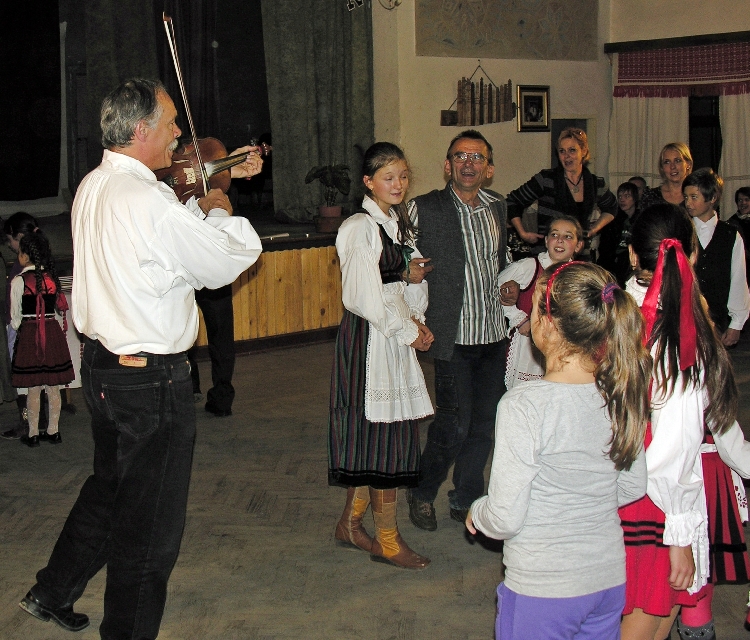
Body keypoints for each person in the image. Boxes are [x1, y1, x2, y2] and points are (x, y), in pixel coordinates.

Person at [17, 78, 262, 638]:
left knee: (110, 489)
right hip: (150, 381)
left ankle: (52, 591)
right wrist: (220, 206)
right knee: (150, 530)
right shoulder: (146, 198)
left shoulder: (94, 184)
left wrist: (200, 196)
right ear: (140, 130)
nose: (179, 133)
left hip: (104, 369)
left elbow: (158, 247)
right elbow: (223, 261)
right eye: (171, 122)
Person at [467, 261, 650, 640]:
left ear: (547, 324)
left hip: (543, 586)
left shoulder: (524, 405)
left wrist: (478, 512)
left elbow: (504, 518)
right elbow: (633, 486)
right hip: (607, 580)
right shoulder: (618, 394)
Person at [620, 203, 750, 640]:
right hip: (655, 500)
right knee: (645, 623)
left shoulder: (609, 310)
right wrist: (678, 531)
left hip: (622, 486)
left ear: (633, 255)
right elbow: (674, 442)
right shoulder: (677, 332)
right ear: (691, 254)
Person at [329, 142, 434, 569]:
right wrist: (406, 330)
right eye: (388, 177)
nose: (398, 184)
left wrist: (415, 313)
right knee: (380, 437)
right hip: (370, 339)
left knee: (382, 436)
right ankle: (387, 540)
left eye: (403, 176)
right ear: (368, 182)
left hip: (391, 333)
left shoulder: (396, 225)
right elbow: (362, 297)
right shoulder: (360, 227)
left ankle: (350, 525)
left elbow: (398, 286)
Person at [405, 129, 509, 531]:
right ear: (448, 166)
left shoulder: (498, 207)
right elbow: (397, 255)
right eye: (460, 156)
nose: (469, 163)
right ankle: (422, 491)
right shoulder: (423, 208)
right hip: (452, 337)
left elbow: (500, 262)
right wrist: (406, 280)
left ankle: (466, 498)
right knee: (454, 425)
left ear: (489, 169)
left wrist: (510, 286)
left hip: (494, 335)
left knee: (484, 425)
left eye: (477, 157)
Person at [498, 215, 584, 390]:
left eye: (568, 236)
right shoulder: (529, 266)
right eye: (554, 234)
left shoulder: (579, 275)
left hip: (562, 348)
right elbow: (493, 290)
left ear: (579, 245)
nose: (560, 240)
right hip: (528, 350)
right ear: (546, 241)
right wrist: (519, 319)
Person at [10, 231, 74, 447]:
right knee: (53, 386)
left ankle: (33, 434)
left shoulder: (19, 281)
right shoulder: (51, 278)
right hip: (51, 331)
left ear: (25, 255)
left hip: (31, 333)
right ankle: (54, 431)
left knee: (34, 387)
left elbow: (15, 318)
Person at [506, 128, 618, 247]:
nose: (566, 156)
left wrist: (594, 229)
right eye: (562, 151)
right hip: (549, 252)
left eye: (572, 150)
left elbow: (612, 207)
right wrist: (523, 234)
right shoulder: (546, 180)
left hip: (580, 252)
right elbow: (512, 201)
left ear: (584, 151)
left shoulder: (596, 184)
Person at [684, 168, 749, 347]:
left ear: (712, 198)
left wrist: (736, 323)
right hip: (685, 320)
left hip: (718, 320)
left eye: (694, 197)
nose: (688, 203)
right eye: (686, 197)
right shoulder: (682, 232)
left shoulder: (730, 234)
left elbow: (738, 280)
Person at [597, 181, 640, 285]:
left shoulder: (641, 219)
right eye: (620, 196)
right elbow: (605, 247)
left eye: (627, 196)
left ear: (635, 198)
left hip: (631, 263)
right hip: (612, 264)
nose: (622, 199)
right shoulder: (612, 218)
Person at [640, 142, 693, 210]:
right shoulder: (650, 197)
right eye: (667, 162)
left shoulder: (699, 195)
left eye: (677, 161)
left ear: (688, 164)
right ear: (662, 168)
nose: (672, 166)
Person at [726, 186, 750, 285]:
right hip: (742, 267)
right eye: (740, 200)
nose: (743, 203)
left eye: (746, 200)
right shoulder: (731, 224)